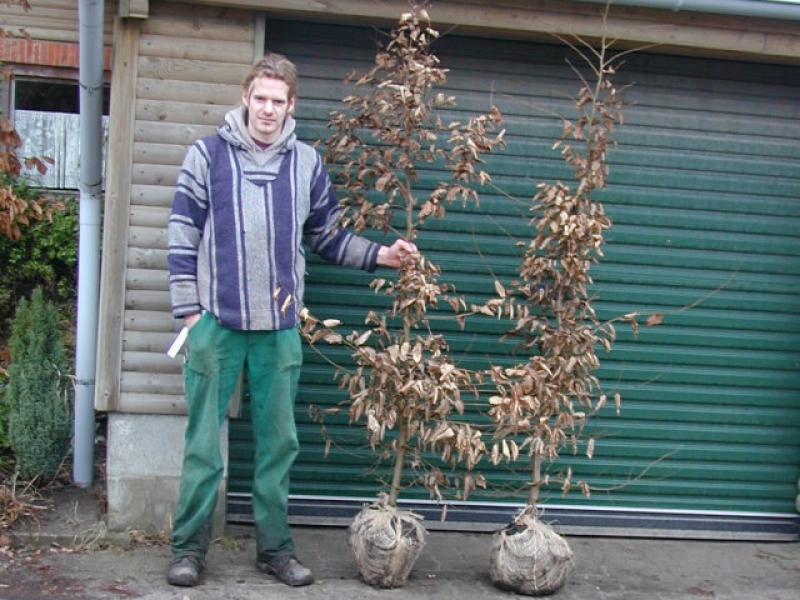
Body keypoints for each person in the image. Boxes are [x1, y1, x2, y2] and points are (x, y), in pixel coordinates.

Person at [166, 52, 415, 588]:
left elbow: (327, 237)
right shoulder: (206, 156)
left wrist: (381, 256)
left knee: (278, 445)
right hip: (217, 326)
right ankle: (188, 549)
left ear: (291, 105)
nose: (268, 109)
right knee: (204, 446)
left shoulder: (307, 163)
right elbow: (182, 234)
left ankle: (274, 550)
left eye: (278, 101)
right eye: (260, 98)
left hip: (279, 330)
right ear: (245, 97)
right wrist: (189, 314)